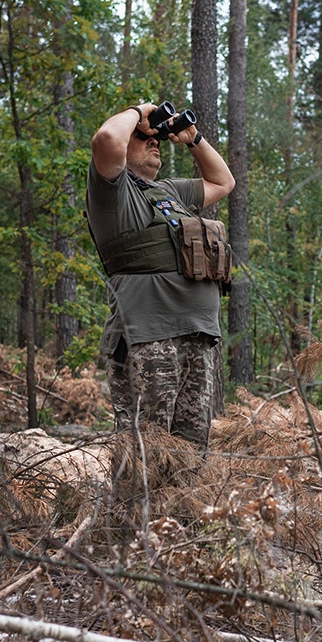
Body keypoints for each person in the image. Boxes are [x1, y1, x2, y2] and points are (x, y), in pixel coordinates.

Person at [87, 103, 235, 448]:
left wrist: (192, 138)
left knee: (188, 454)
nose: (154, 142)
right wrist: (138, 112)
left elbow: (223, 181)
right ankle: (133, 506)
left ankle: (180, 507)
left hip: (197, 336)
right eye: (142, 137)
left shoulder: (169, 192)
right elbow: (107, 137)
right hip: (148, 337)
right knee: (145, 455)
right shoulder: (112, 192)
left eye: (156, 139)